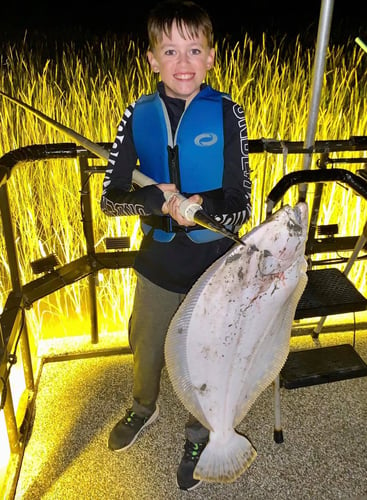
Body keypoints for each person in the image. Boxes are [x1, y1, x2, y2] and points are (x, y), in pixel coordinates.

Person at [100, 0, 251, 491]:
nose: (182, 62)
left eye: (193, 49)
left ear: (210, 57)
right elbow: (111, 200)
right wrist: (153, 201)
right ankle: (143, 407)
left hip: (214, 263)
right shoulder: (136, 114)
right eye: (170, 50)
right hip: (159, 259)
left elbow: (241, 204)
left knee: (207, 357)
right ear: (152, 59)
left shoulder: (229, 113)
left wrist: (199, 204)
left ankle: (198, 432)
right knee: (145, 344)